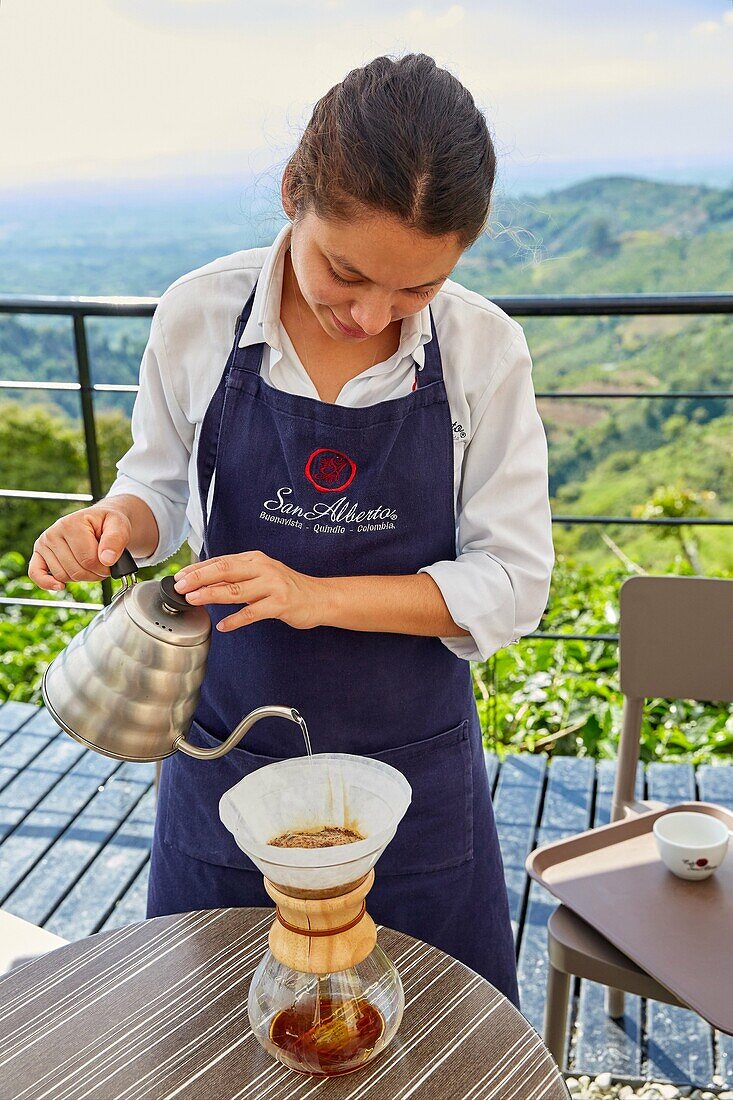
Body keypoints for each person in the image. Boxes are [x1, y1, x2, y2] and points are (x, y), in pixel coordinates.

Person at [30, 53, 553, 1006]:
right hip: (233, 755)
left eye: (413, 292)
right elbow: (157, 489)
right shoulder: (199, 314)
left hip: (411, 778)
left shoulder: (484, 351)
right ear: (290, 195)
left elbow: (513, 582)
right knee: (216, 1029)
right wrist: (114, 523)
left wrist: (315, 596)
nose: (368, 317)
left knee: (436, 1043)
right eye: (344, 273)